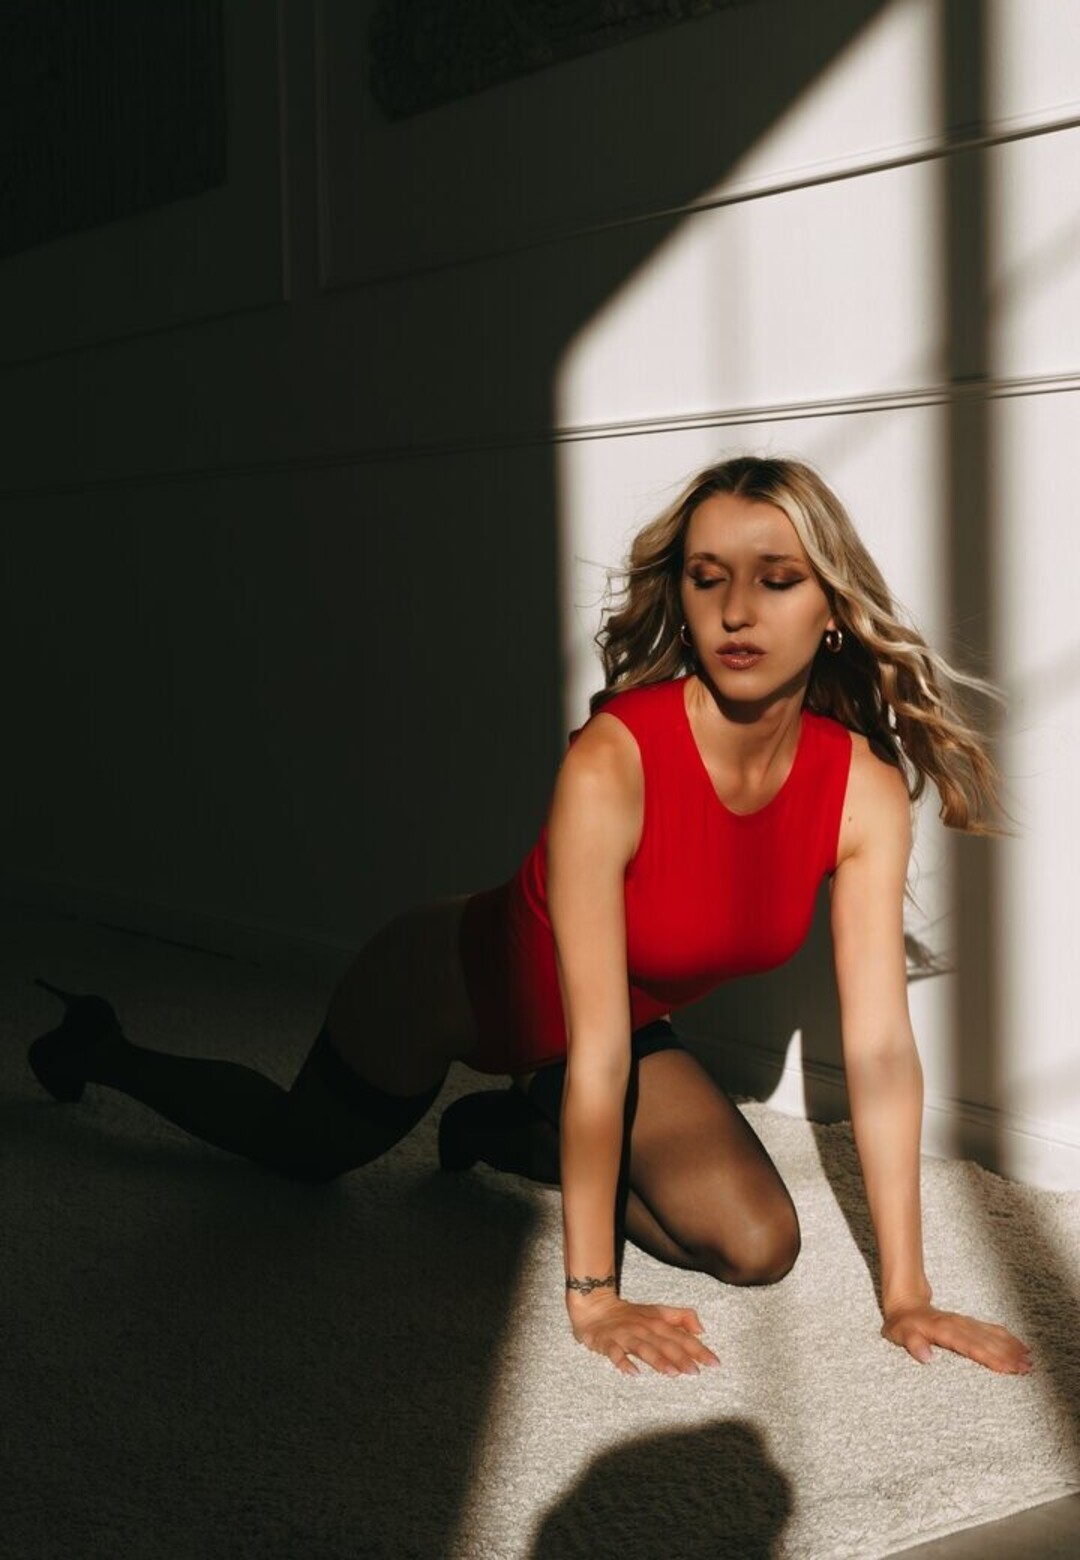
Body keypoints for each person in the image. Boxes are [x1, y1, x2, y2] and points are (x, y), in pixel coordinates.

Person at [29, 454, 1031, 1381]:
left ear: (832, 610)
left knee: (759, 1245)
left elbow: (880, 1049)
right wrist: (593, 1297)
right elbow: (594, 1049)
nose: (736, 610)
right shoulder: (616, 759)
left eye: (776, 580)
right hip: (451, 987)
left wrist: (908, 1295)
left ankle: (507, 1129)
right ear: (681, 597)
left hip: (611, 1027)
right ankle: (106, 1049)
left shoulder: (859, 789)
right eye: (706, 577)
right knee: (304, 1153)